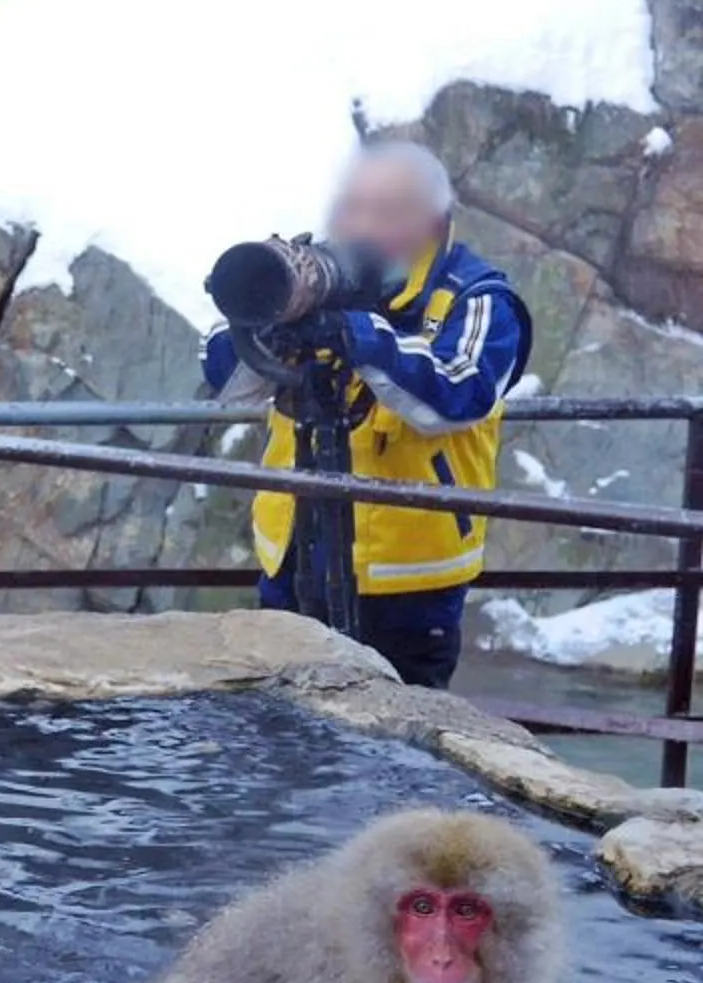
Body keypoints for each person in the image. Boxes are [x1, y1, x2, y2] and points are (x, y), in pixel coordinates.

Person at [201, 143, 531, 690]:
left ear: (435, 219)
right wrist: (266, 313)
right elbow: (223, 375)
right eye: (355, 207)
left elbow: (458, 392)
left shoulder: (478, 298)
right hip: (291, 558)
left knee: (397, 749)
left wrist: (362, 336)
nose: (365, 225)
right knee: (279, 728)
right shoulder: (317, 275)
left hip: (408, 580)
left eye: (388, 211)